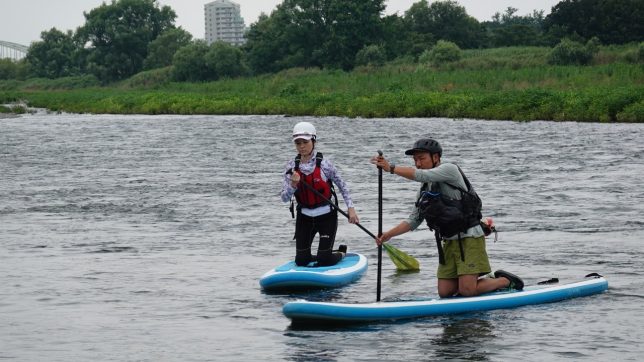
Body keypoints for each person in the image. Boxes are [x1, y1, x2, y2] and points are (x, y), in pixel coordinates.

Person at [371, 138, 523, 298]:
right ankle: (475, 282)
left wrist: (391, 168)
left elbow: (422, 175)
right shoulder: (424, 189)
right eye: (415, 160)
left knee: (467, 291)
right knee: (445, 292)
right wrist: (388, 235)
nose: (418, 164)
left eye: (421, 158)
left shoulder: (450, 170)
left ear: (436, 157)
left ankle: (503, 281)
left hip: (470, 238)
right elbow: (414, 220)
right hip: (448, 242)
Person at [281, 122, 359, 267]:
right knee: (301, 261)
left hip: (326, 217)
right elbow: (284, 198)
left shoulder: (325, 164)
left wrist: (351, 208)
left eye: (305, 142)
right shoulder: (291, 167)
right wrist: (293, 185)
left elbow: (342, 185)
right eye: (298, 143)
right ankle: (320, 254)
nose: (301, 146)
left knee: (324, 261)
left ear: (314, 141)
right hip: (304, 217)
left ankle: (340, 253)